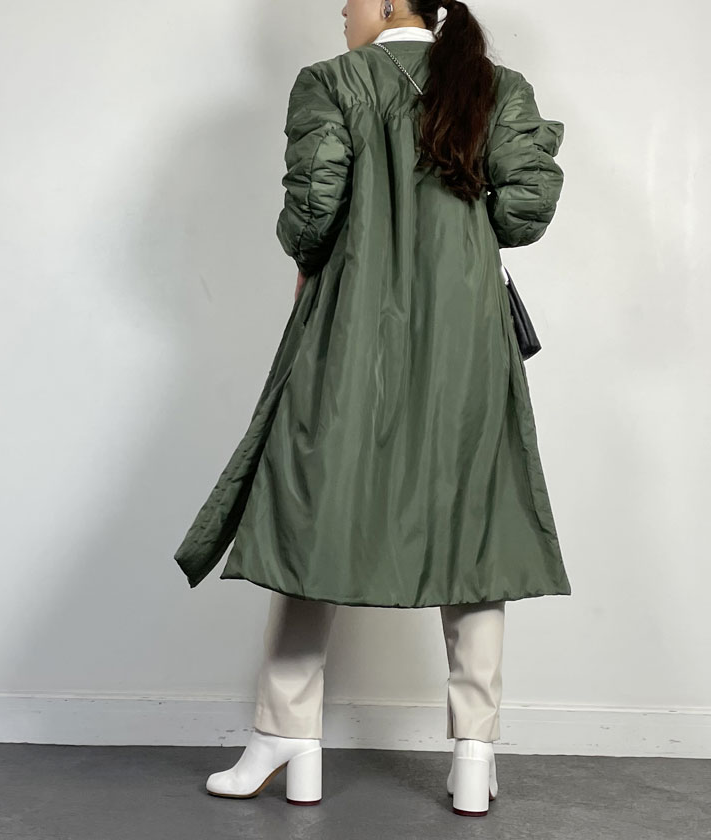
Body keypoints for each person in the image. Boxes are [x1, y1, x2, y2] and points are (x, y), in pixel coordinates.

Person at [175, 0, 572, 818]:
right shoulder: (497, 86)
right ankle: (474, 753)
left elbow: (313, 213)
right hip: (468, 334)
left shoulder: (333, 82)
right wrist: (462, 226)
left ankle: (287, 735)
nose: (342, 10)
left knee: (309, 511)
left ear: (391, 0)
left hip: (351, 326)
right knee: (474, 521)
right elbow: (525, 207)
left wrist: (314, 248)